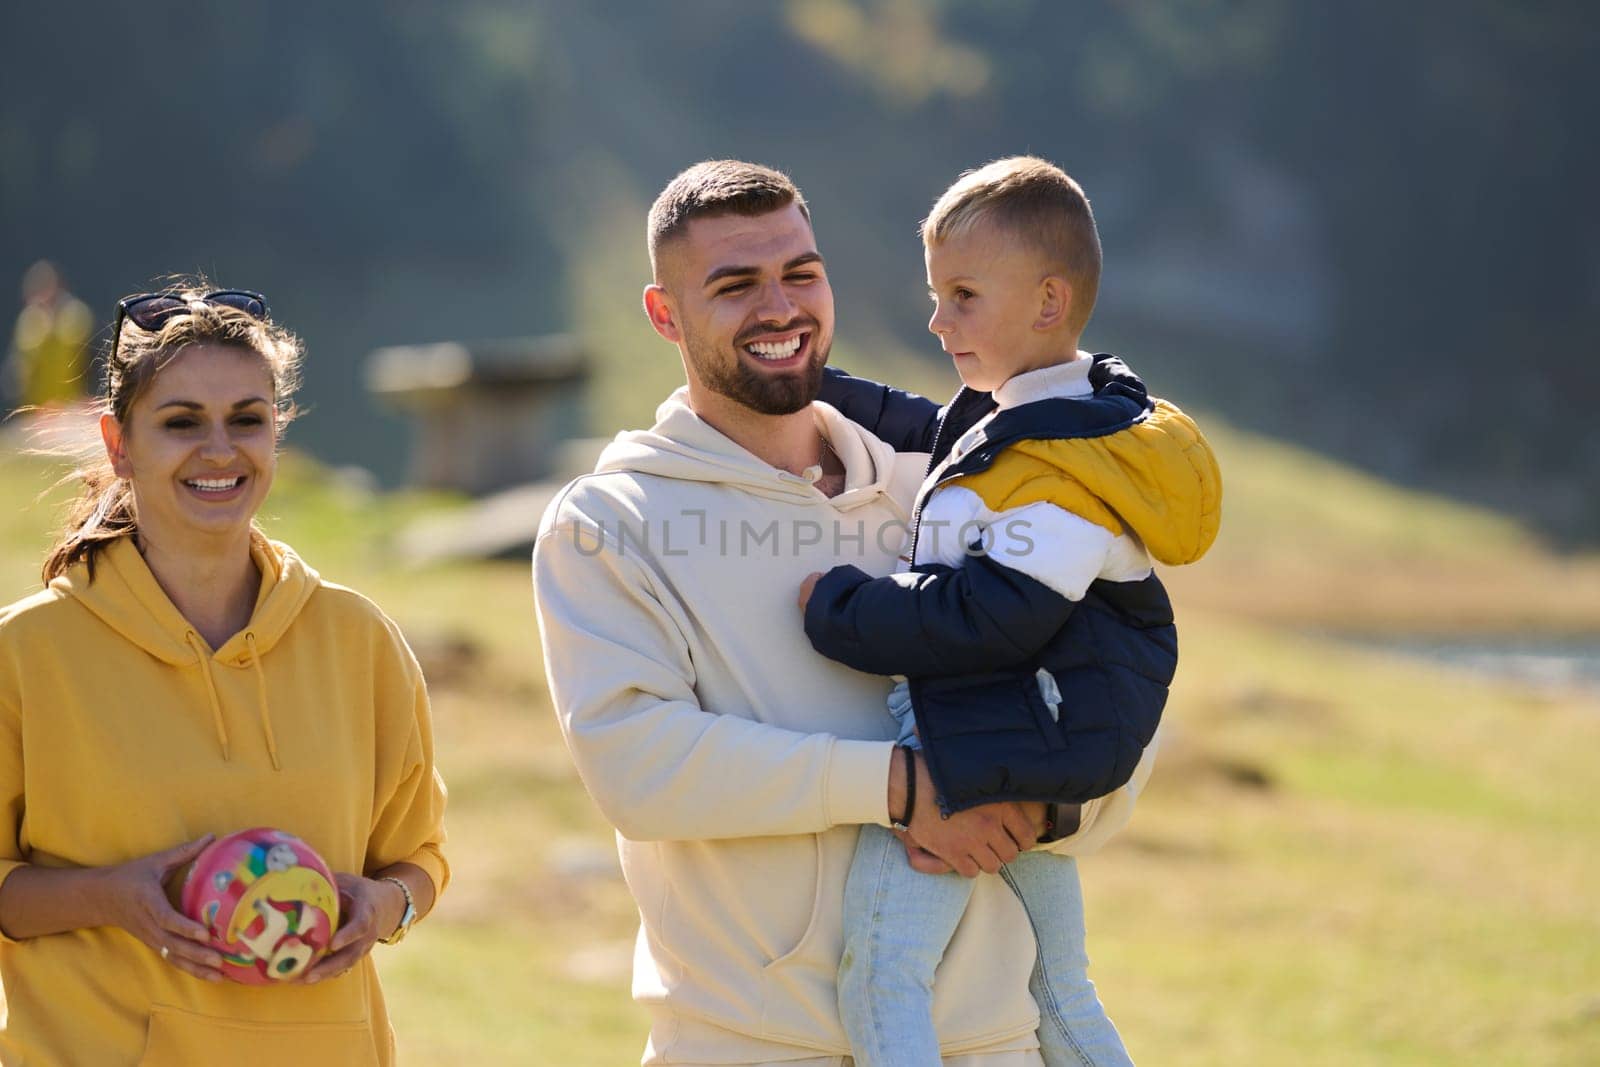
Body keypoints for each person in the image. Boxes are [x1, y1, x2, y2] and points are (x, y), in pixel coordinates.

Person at [531, 159, 1158, 1066]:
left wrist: (1051, 803)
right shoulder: (610, 521)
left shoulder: (951, 493)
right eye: (735, 285)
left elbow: (1104, 689)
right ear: (665, 314)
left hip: (994, 1040)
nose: (779, 307)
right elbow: (637, 765)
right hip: (747, 1044)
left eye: (801, 273)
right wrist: (904, 789)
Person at [797, 157, 1221, 1067]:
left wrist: (840, 609)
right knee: (1058, 983)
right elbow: (930, 430)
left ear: (1046, 302)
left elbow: (992, 618)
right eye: (935, 295)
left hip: (997, 740)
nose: (937, 319)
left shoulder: (1075, 477)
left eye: (961, 296)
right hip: (1023, 733)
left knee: (883, 972)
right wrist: (812, 382)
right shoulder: (1036, 415)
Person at [0, 283, 449, 1065]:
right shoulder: (28, 652)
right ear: (118, 444)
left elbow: (419, 858)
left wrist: (384, 905)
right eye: (181, 423)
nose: (220, 450)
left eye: (248, 419)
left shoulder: (359, 640)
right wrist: (111, 895)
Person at [6, 260, 93, 410]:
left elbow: (87, 358)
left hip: (71, 404)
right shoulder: (29, 320)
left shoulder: (75, 314)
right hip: (37, 408)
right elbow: (22, 364)